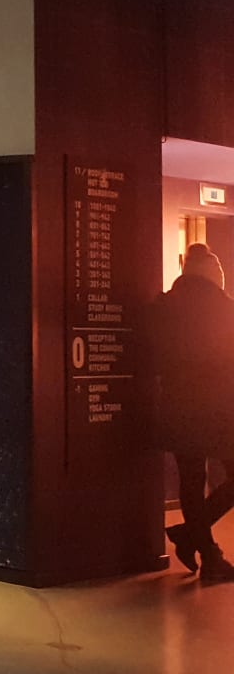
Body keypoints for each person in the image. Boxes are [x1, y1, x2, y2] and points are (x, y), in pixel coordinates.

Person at [149, 243, 234, 579]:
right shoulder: (224, 309)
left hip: (178, 406)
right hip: (220, 407)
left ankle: (204, 549)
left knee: (191, 480)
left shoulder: (164, 306)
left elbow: (153, 355)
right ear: (214, 275)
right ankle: (192, 540)